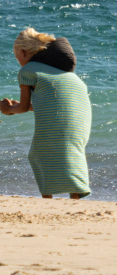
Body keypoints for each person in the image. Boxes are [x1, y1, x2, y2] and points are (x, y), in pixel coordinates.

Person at [0, 29, 91, 200]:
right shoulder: (65, 74)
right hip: (81, 118)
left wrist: (8, 109)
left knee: (38, 155)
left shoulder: (28, 70)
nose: (18, 60)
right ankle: (75, 199)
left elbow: (23, 107)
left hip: (63, 118)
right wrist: (16, 105)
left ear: (23, 52)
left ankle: (47, 201)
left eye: (16, 56)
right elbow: (50, 104)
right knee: (72, 155)